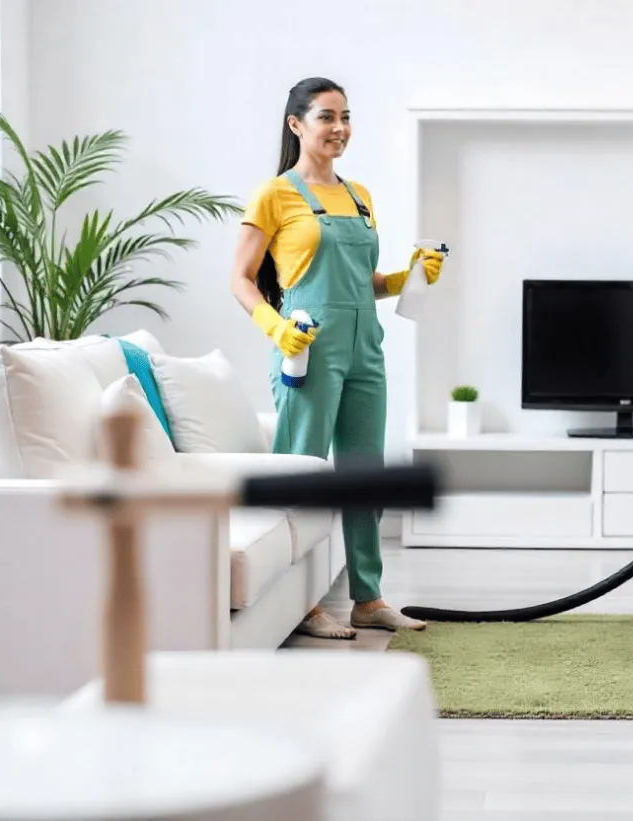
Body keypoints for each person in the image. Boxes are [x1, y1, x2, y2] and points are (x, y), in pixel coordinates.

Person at [229, 77, 445, 640]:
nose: (340, 128)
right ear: (296, 124)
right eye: (327, 117)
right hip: (308, 348)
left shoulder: (360, 196)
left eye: (345, 116)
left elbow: (363, 282)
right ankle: (299, 606)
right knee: (300, 474)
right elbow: (241, 279)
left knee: (363, 474)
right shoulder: (276, 194)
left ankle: (368, 599)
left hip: (365, 348)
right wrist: (276, 328)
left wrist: (408, 277)